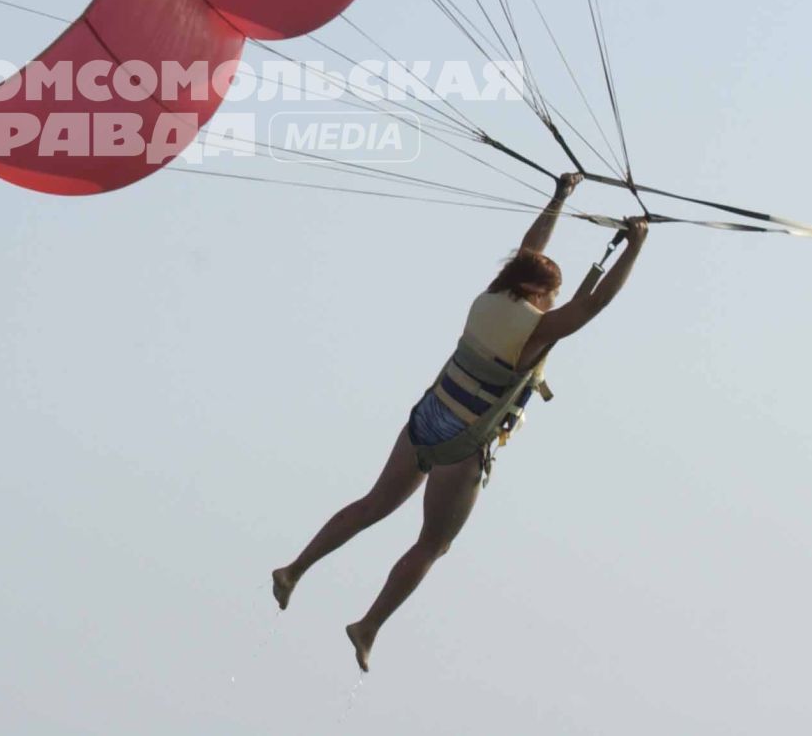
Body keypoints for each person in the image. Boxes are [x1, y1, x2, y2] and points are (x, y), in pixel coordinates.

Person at [269, 173, 650, 671]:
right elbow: (594, 303)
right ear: (535, 290)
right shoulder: (535, 331)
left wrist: (559, 198)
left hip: (424, 420)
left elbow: (529, 250)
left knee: (373, 505)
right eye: (550, 294)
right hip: (461, 443)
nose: (554, 303)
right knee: (434, 543)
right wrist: (635, 247)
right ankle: (368, 627)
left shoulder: (488, 300)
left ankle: (295, 569)